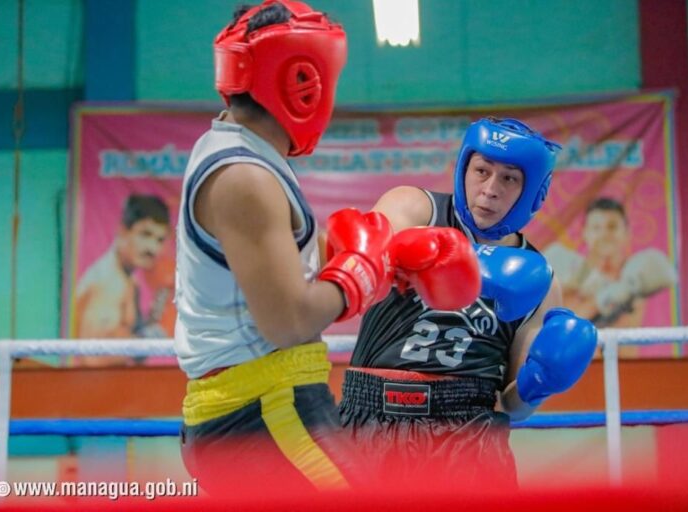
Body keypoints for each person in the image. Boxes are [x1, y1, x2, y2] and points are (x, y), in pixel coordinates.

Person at [173, 1, 480, 495]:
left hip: (262, 404)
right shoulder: (243, 176)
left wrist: (383, 262)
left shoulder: (245, 155)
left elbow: (289, 279)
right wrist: (358, 274)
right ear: (303, 81)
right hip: (261, 409)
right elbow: (289, 320)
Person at [338, 117, 599, 489]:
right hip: (369, 418)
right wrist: (458, 260)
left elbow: (514, 407)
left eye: (509, 178)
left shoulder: (540, 281)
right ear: (463, 169)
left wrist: (537, 384)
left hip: (467, 433)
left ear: (533, 192)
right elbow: (369, 272)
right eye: (481, 171)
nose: (490, 189)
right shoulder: (414, 210)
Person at [544, 197, 676, 329]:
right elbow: (558, 329)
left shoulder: (634, 280)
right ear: (585, 232)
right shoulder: (567, 269)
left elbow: (624, 344)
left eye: (612, 227)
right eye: (596, 227)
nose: (604, 234)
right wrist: (600, 300)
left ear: (626, 232)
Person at [73, 194, 171, 366]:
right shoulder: (109, 283)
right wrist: (143, 342)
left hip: (110, 385)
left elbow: (121, 334)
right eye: (145, 234)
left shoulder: (128, 280)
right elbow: (93, 358)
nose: (152, 248)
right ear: (122, 230)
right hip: (95, 388)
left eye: (159, 240)